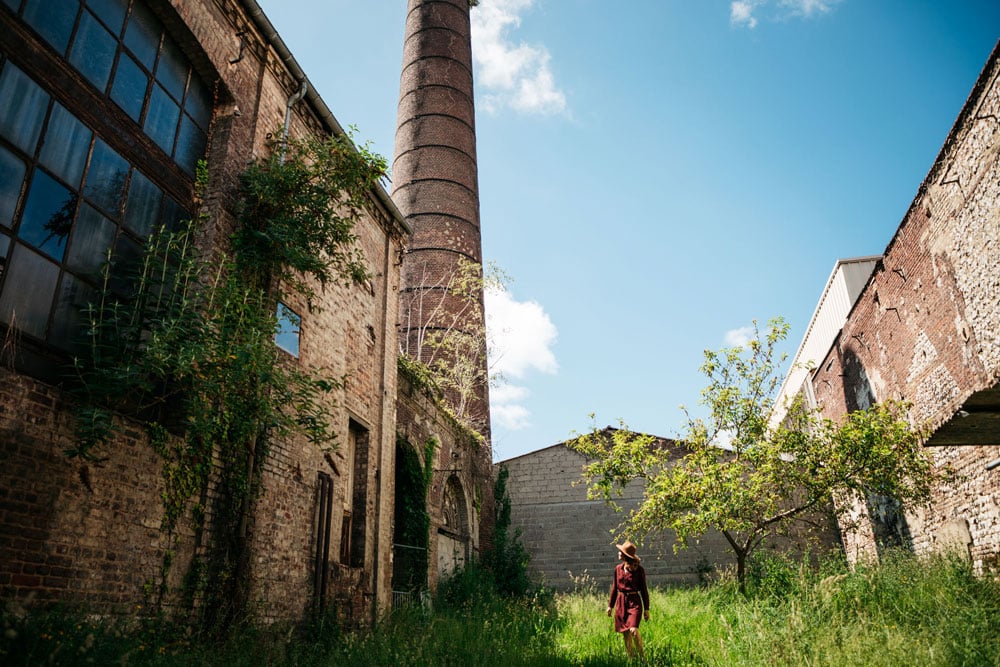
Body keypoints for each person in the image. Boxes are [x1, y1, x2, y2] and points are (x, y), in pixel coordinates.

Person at [606, 540, 650, 659]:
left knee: (633, 630)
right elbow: (615, 588)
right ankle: (631, 659)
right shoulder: (617, 569)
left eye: (620, 551)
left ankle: (642, 658)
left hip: (634, 602)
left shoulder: (639, 570)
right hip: (621, 602)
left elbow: (644, 590)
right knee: (625, 633)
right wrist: (610, 606)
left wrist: (646, 609)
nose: (618, 553)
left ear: (625, 555)